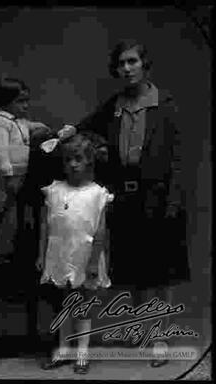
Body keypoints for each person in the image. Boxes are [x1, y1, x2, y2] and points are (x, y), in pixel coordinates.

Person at [75, 39, 190, 367]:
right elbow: (85, 128)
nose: (126, 69)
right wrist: (89, 145)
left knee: (161, 271)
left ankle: (160, 340)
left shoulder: (165, 104)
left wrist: (174, 201)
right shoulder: (114, 104)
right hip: (124, 198)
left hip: (160, 197)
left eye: (132, 62)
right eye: (121, 64)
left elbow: (178, 158)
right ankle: (144, 329)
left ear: (144, 64)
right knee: (137, 268)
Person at [36, 133, 113, 374]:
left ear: (89, 161)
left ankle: (82, 354)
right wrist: (41, 255)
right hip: (59, 255)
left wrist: (93, 262)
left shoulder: (97, 193)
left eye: (78, 159)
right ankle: (62, 350)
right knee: (62, 306)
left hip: (84, 256)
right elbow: (45, 226)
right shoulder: (54, 191)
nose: (72, 164)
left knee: (83, 306)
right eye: (68, 159)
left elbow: (100, 232)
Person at [0, 77, 51, 264]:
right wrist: (7, 173)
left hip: (18, 176)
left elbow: (28, 127)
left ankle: (4, 249)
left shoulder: (18, 122)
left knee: (8, 213)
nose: (26, 105)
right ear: (5, 101)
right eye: (20, 101)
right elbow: (1, 151)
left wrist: (40, 127)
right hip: (2, 177)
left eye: (27, 100)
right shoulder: (0, 123)